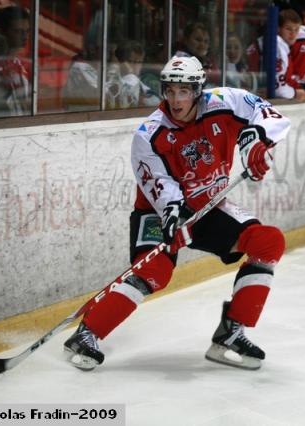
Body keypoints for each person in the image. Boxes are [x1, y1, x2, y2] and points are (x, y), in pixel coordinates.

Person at [64, 55, 291, 371]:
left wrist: (258, 142)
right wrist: (174, 213)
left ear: (198, 90)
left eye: (183, 91)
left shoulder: (226, 101)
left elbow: (269, 114)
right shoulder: (150, 133)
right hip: (159, 212)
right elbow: (157, 182)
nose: (175, 99)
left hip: (210, 205)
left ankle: (231, 332)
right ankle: (88, 333)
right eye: (170, 91)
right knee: (154, 272)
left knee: (268, 242)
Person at [0, 6, 31, 115]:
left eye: (27, 31)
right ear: (0, 32)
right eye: (18, 31)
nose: (25, 36)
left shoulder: (19, 64)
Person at [105, 40, 160, 109]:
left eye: (139, 62)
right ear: (121, 62)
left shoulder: (144, 82)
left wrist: (143, 100)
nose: (136, 66)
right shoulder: (111, 81)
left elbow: (156, 102)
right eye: (132, 62)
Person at [274, 9, 305, 101]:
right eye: (288, 29)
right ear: (278, 28)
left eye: (296, 29)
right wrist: (295, 93)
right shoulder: (277, 45)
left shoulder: (283, 46)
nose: (293, 34)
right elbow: (279, 90)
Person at [175, 22, 220, 87]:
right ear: (186, 40)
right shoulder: (180, 59)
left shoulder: (207, 62)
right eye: (198, 40)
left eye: (206, 41)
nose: (202, 45)